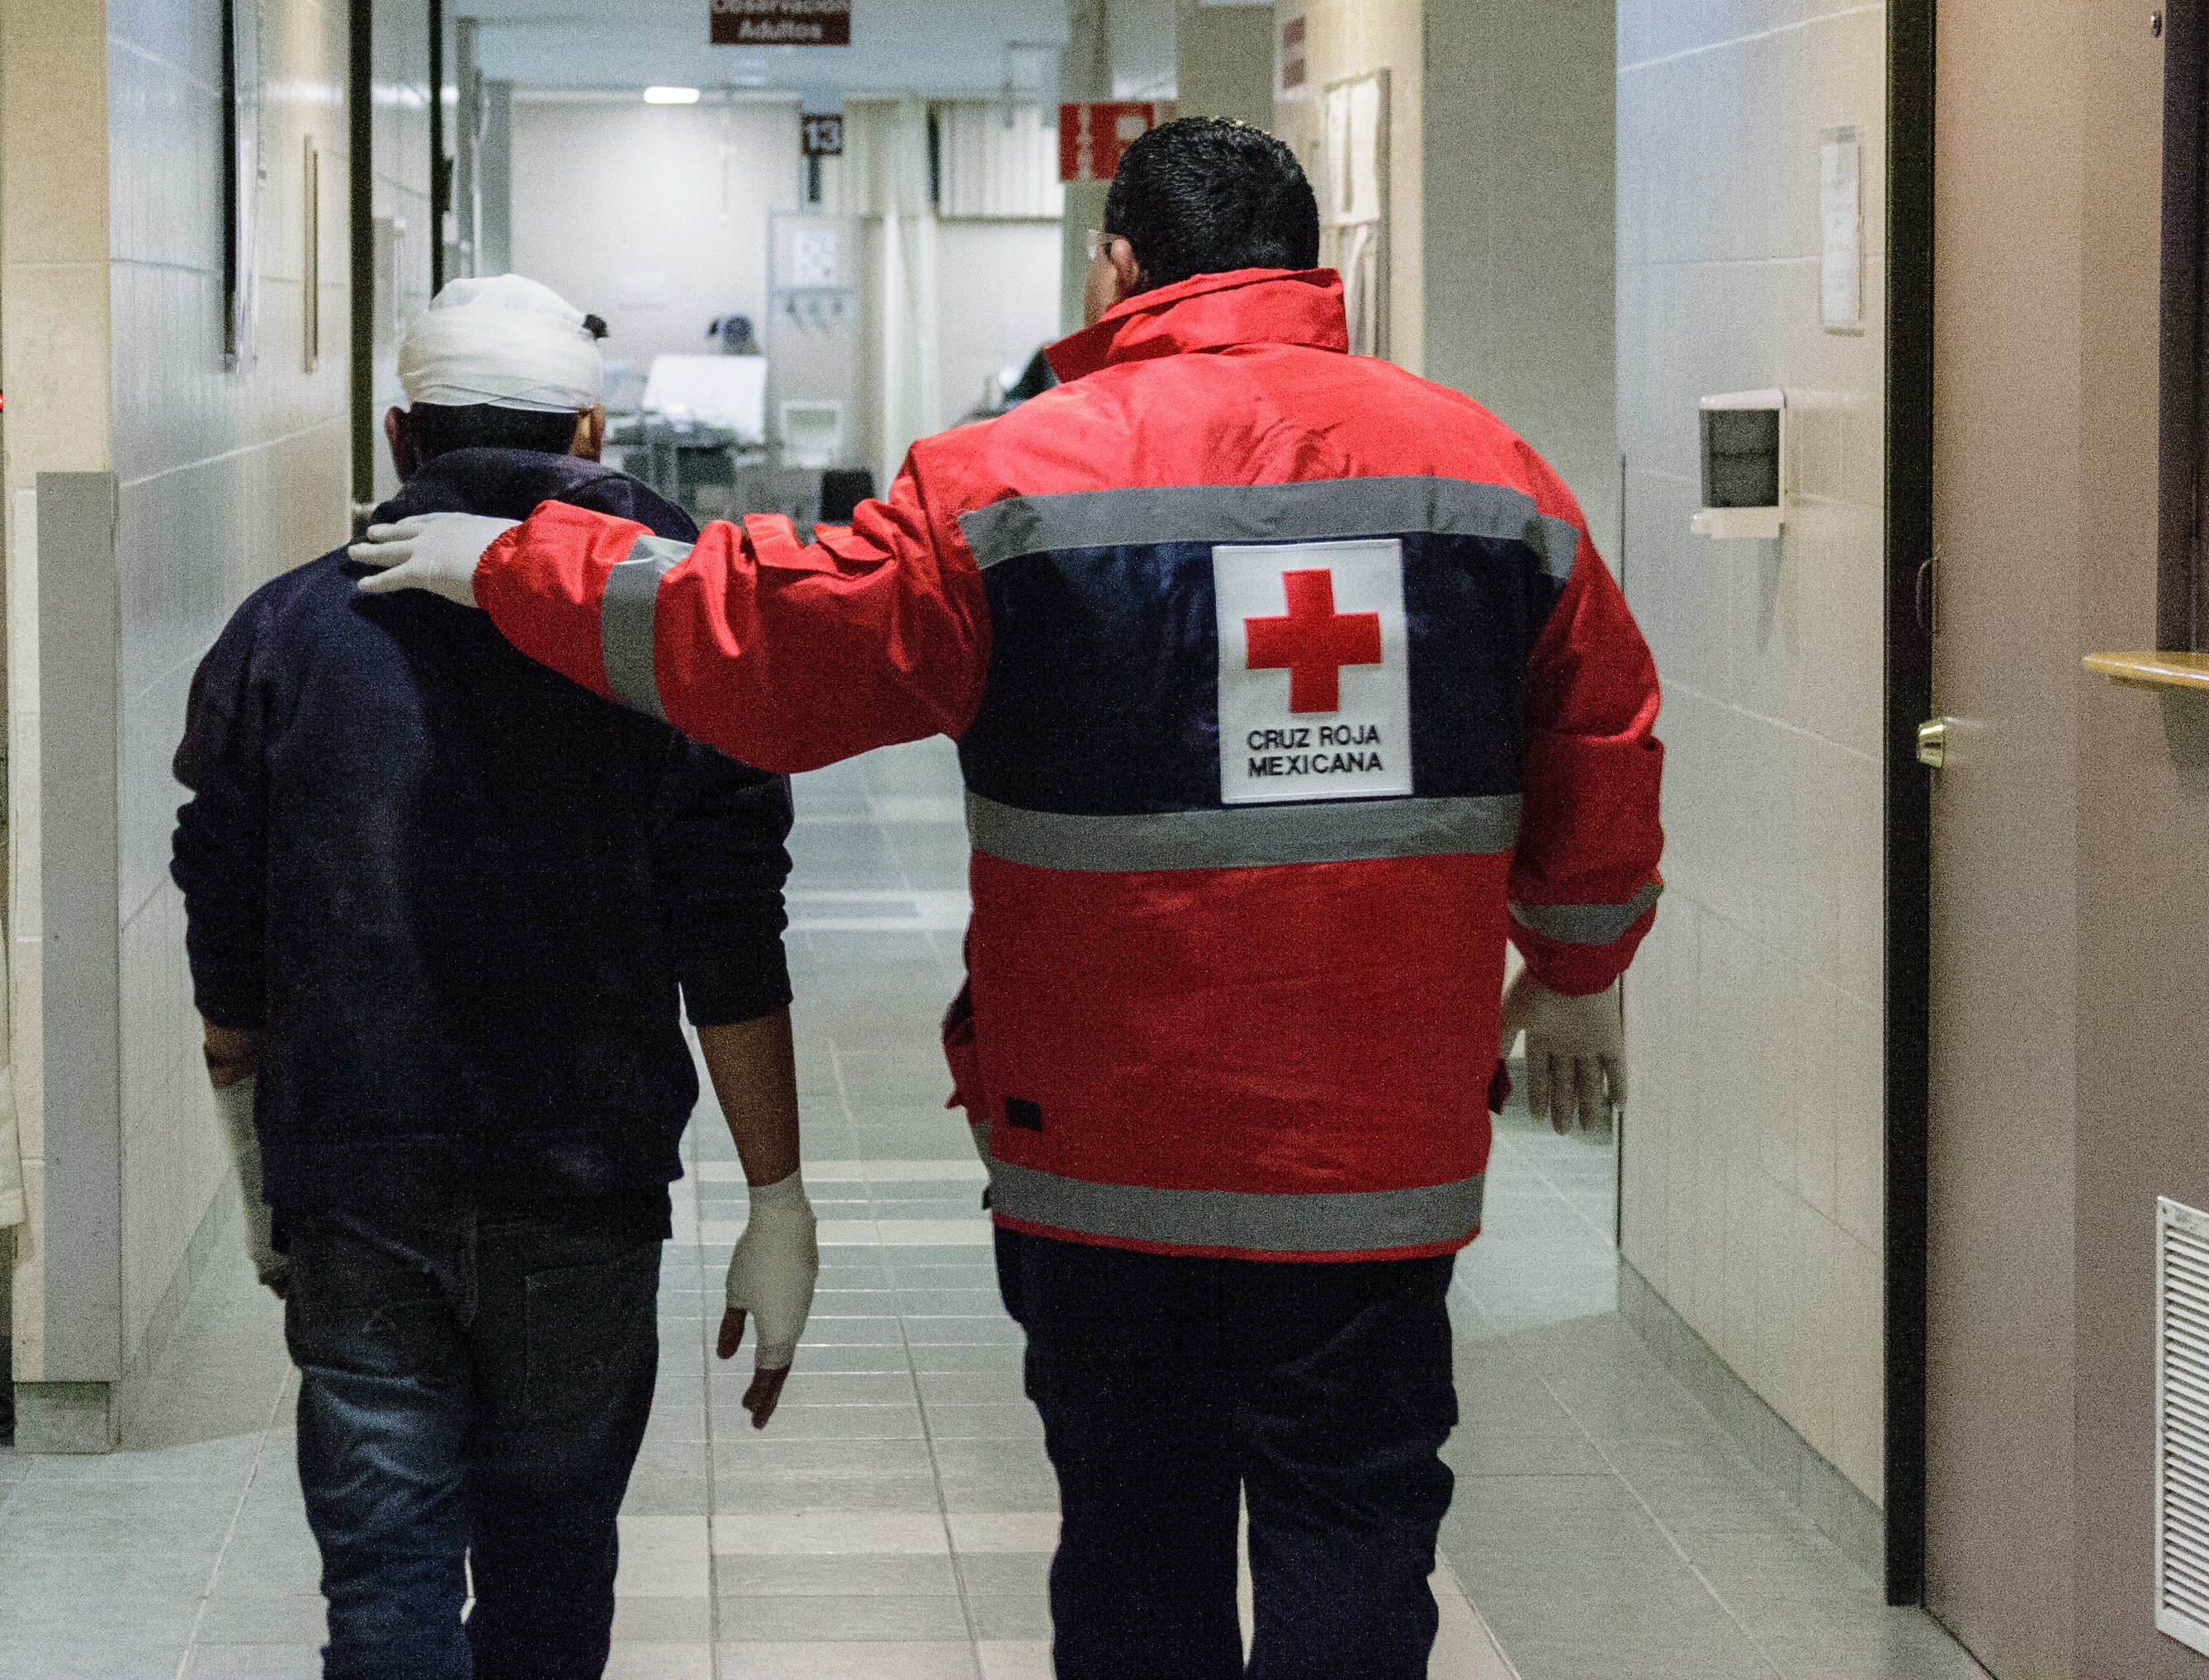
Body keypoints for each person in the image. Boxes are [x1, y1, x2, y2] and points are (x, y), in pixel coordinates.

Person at [348, 121, 1666, 1679]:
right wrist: (1577, 968)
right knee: (1358, 1522)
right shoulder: (1488, 471)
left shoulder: (1015, 474)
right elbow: (1603, 732)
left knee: (1132, 1534)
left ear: (1119, 264)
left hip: (1106, 1147)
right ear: (1312, 263)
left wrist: (521, 559)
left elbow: (775, 644)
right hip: (1376, 1150)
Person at [169, 273, 821, 1680]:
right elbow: (730, 929)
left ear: (401, 440)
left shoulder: (285, 635)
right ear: (593, 433)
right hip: (581, 1185)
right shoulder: (671, 646)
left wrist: (250, 1154)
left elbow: (221, 912)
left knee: (385, 1586)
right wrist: (776, 1194)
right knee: (551, 1571)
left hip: (357, 1183)